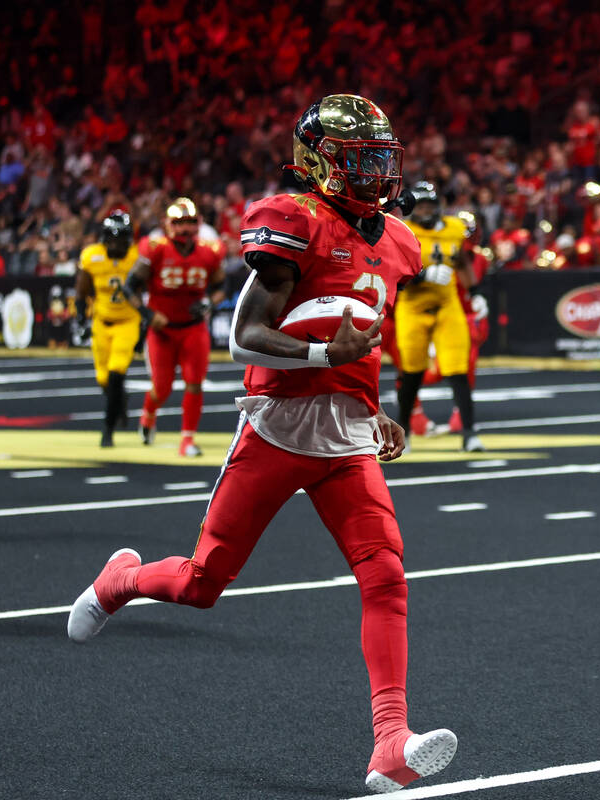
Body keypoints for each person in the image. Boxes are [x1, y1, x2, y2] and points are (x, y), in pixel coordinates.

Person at [67, 94, 458, 794]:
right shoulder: (295, 222)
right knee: (201, 584)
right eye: (358, 159)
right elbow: (243, 337)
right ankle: (121, 579)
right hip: (276, 428)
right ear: (321, 163)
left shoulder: (399, 239)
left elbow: (361, 336)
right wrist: (321, 361)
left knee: (386, 574)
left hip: (343, 437)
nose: (374, 171)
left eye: (380, 158)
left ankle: (391, 741)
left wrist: (369, 409)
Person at [125, 197, 225, 457]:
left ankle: (187, 440)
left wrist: (208, 304)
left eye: (190, 222)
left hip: (193, 328)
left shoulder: (209, 251)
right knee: (162, 387)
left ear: (199, 223)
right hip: (162, 330)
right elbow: (129, 288)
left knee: (195, 382)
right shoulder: (155, 249)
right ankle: (148, 415)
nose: (185, 229)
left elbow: (220, 288)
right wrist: (148, 314)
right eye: (179, 222)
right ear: (167, 224)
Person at [393, 181, 483, 452]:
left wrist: (475, 292)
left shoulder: (455, 229)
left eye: (429, 205)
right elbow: (394, 272)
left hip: (447, 305)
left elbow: (463, 261)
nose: (424, 211)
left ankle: (469, 434)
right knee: (411, 372)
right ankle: (404, 431)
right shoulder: (402, 231)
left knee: (458, 369)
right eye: (419, 206)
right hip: (413, 306)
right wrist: (422, 275)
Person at [75, 211, 141, 446]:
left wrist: (145, 321)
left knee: (115, 373)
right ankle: (120, 400)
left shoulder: (137, 257)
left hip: (127, 321)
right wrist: (81, 319)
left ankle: (108, 429)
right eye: (111, 239)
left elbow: (145, 290)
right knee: (103, 378)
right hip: (101, 322)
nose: (115, 245)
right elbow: (81, 292)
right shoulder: (92, 256)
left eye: (120, 239)